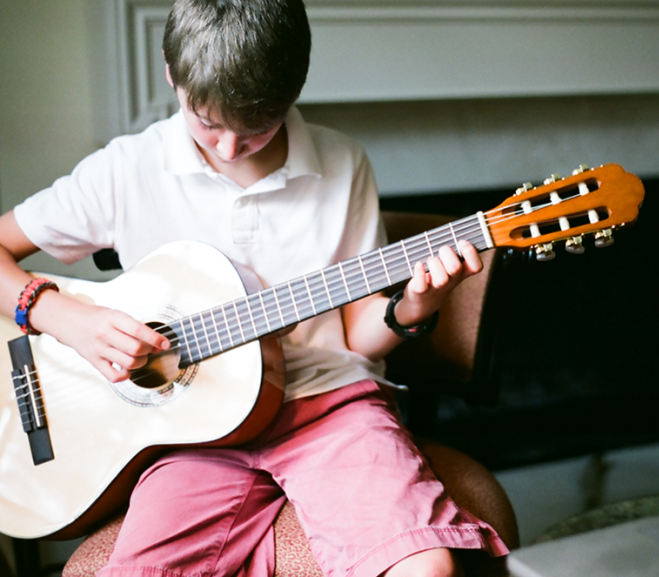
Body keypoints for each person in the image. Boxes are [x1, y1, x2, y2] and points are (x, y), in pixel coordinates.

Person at [0, 0, 509, 575]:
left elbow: (356, 337)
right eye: (208, 123)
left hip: (328, 408)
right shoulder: (125, 171)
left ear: (293, 93)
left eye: (256, 129)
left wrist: (414, 306)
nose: (228, 149)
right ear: (172, 73)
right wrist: (60, 315)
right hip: (191, 436)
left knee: (425, 569)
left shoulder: (343, 164)